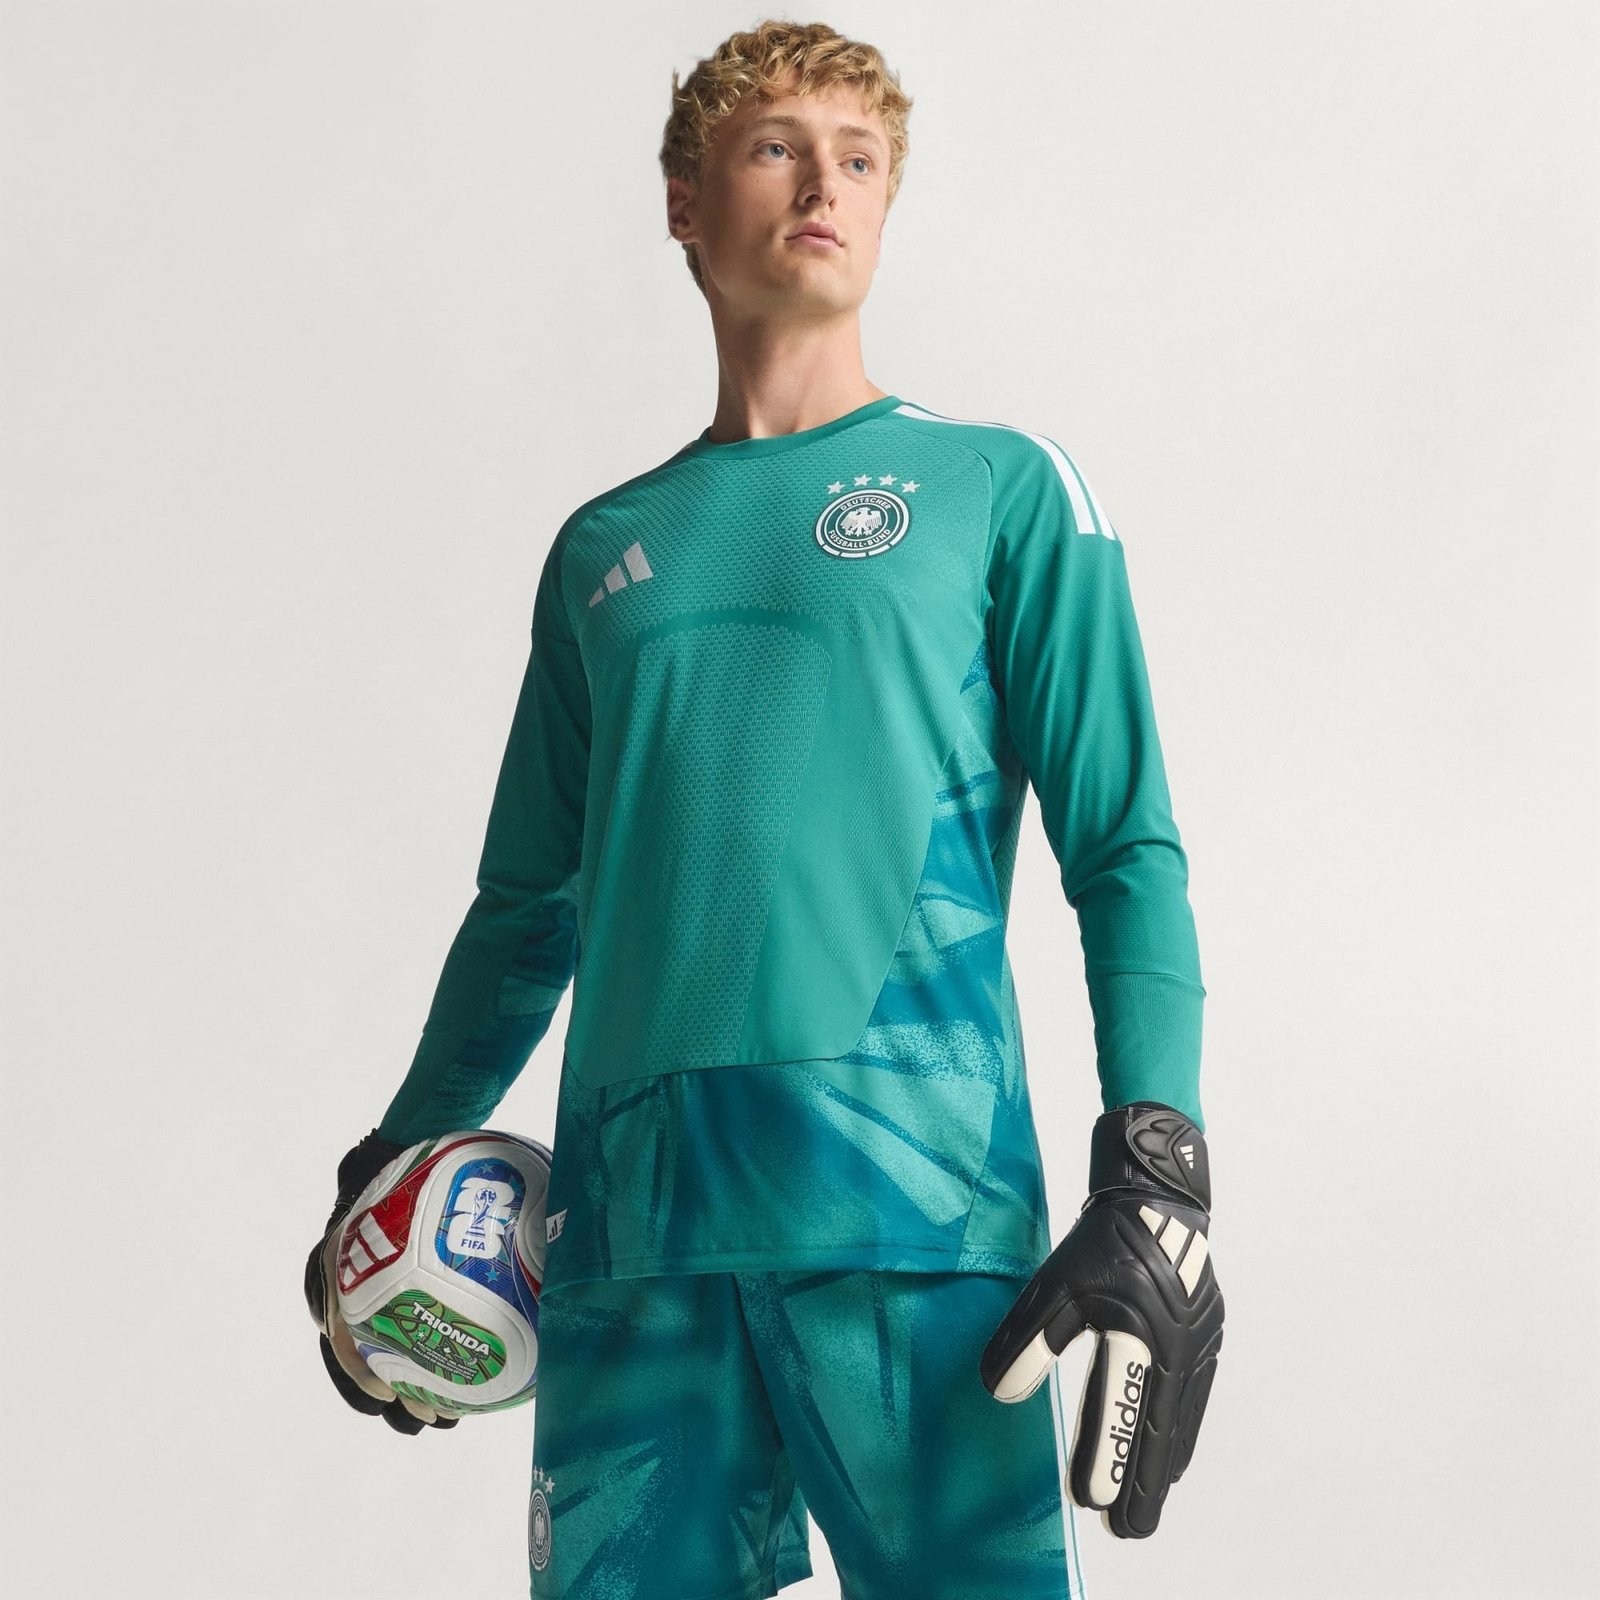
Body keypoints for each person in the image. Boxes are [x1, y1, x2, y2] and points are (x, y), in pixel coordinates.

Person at [307, 18, 1224, 1600]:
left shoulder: (1000, 489)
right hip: (630, 1250)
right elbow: (528, 909)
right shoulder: (603, 550)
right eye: (777, 147)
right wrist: (387, 1167)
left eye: (860, 160)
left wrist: (1157, 1165)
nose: (825, 186)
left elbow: (1124, 846)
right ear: (685, 202)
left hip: (915, 1230)